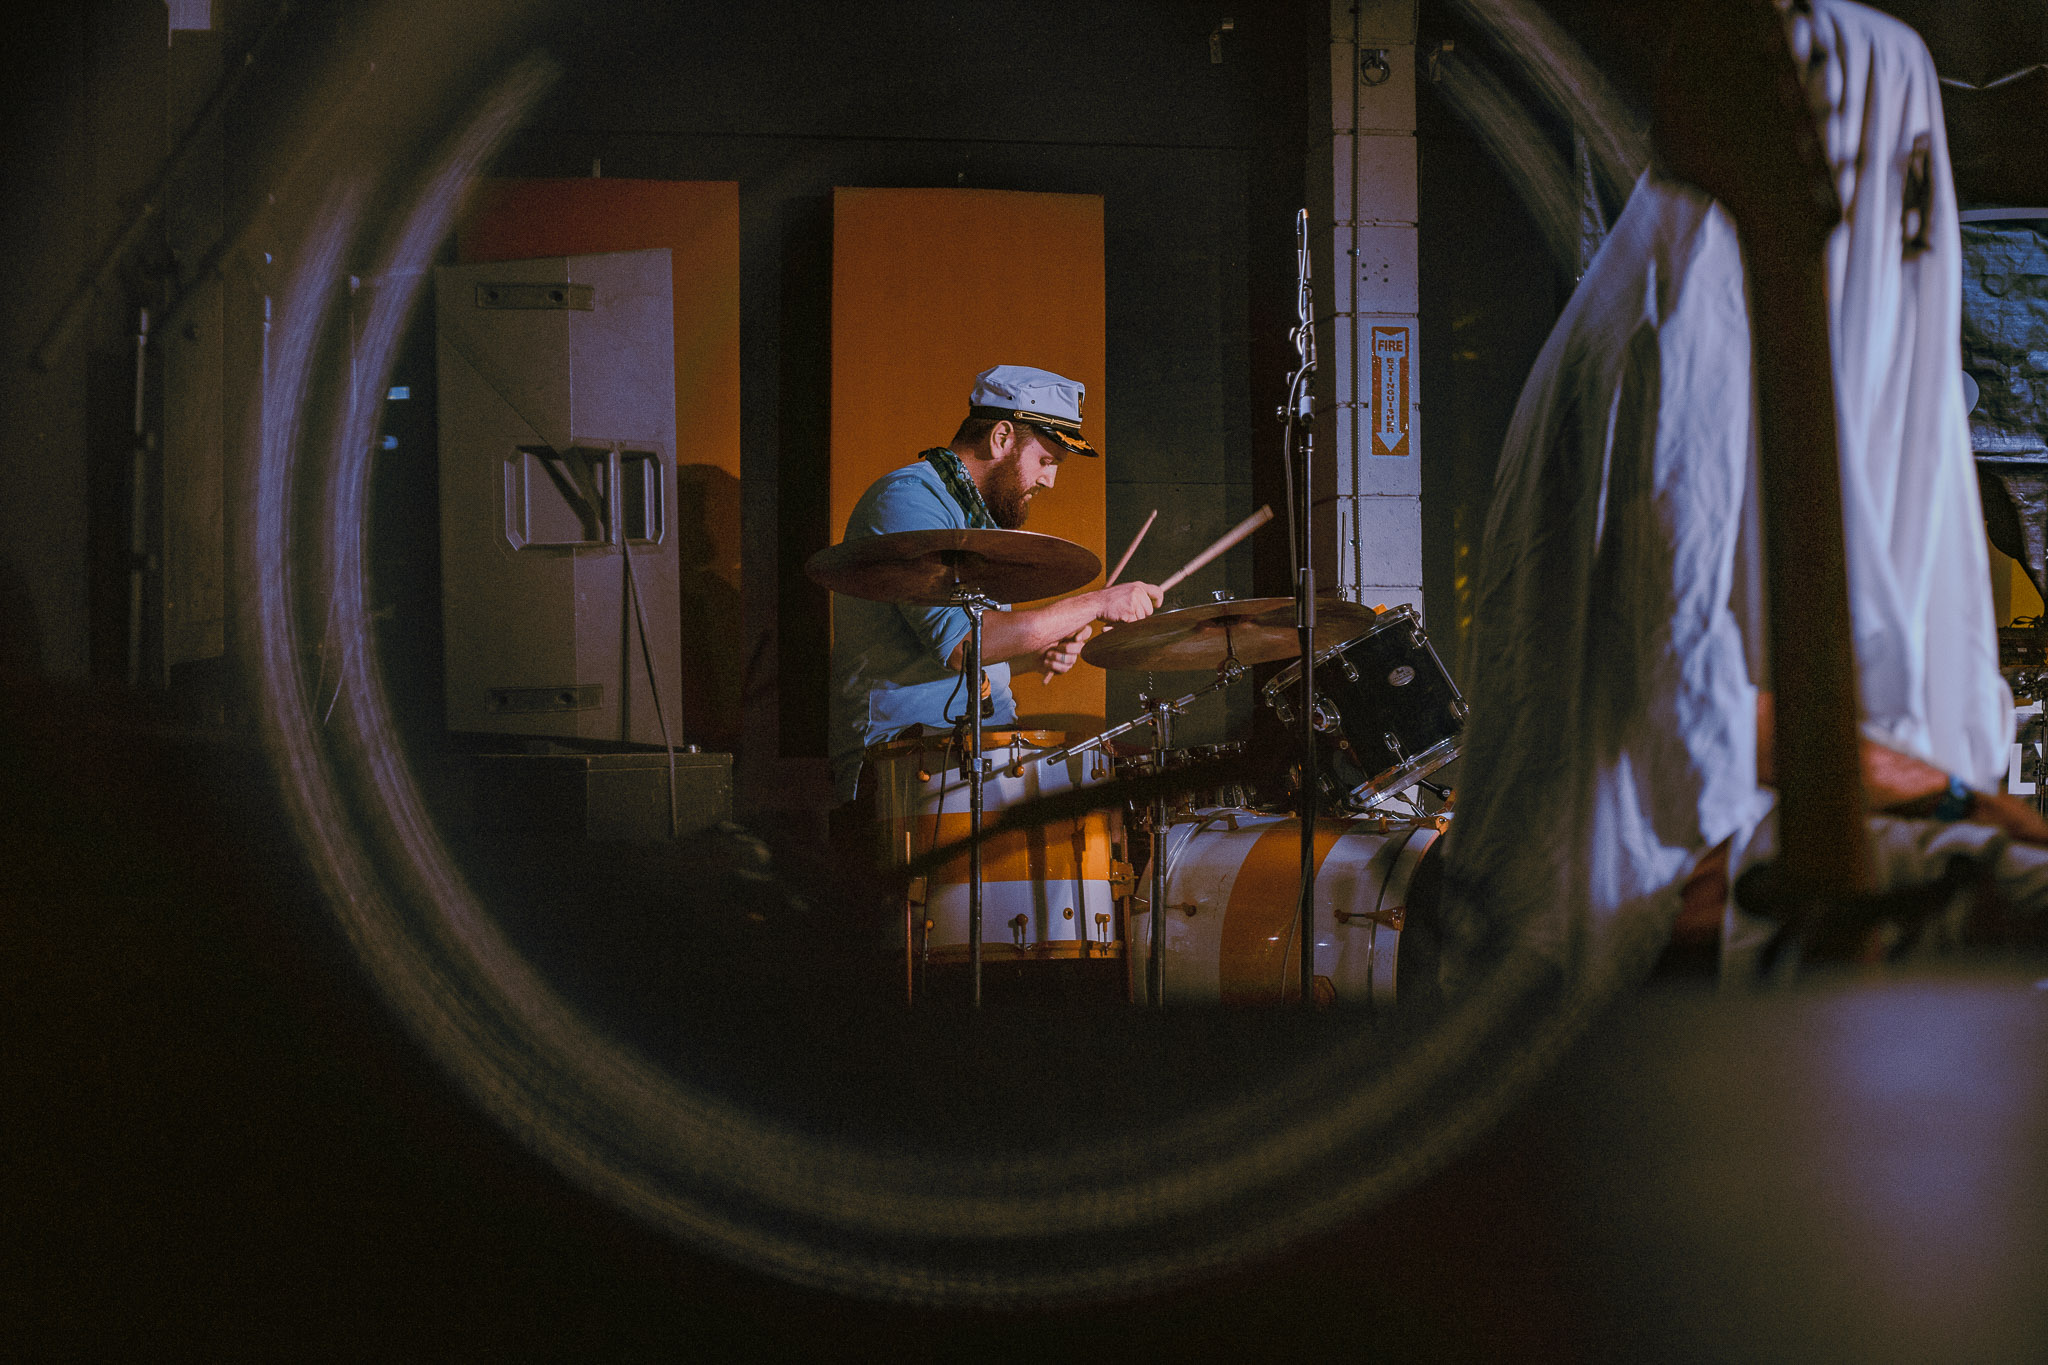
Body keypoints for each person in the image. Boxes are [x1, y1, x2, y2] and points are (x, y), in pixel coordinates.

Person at [1439, 0, 2048, 993]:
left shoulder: (1665, 303)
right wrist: (1956, 802)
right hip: (1629, 948)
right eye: (1900, 178)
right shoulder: (1683, 327)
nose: (1912, 224)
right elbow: (1684, 702)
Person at [826, 365, 1163, 814]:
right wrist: (1095, 603)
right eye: (1046, 461)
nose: (1049, 481)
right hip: (905, 762)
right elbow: (962, 647)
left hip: (978, 748)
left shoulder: (975, 515)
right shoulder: (909, 500)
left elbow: (966, 651)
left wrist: (1033, 656)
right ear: (1001, 438)